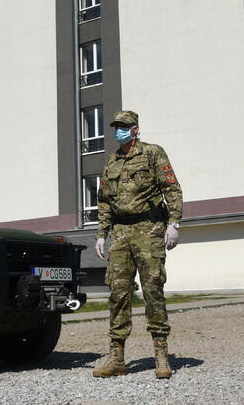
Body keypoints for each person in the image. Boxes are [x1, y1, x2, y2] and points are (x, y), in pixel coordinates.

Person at [92, 109, 183, 380]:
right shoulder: (111, 162)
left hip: (149, 229)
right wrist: (101, 234)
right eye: (116, 126)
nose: (118, 129)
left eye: (124, 125)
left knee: (153, 289)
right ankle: (117, 357)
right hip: (120, 232)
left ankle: (161, 354)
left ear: (136, 129)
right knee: (118, 293)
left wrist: (174, 223)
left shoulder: (153, 153)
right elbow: (104, 201)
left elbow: (172, 188)